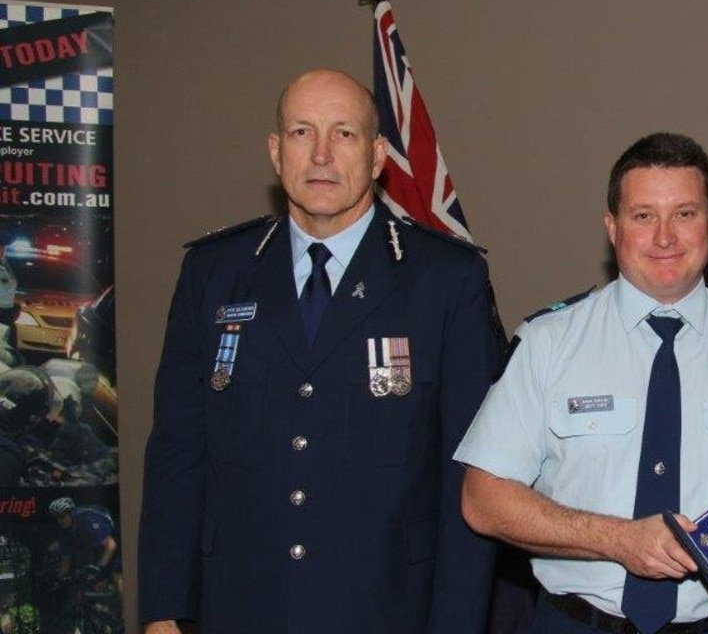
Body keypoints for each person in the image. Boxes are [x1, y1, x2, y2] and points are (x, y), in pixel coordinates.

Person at [137, 69, 503, 634]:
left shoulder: (446, 280)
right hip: (238, 606)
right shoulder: (214, 273)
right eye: (303, 133)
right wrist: (163, 609)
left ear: (379, 154)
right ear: (276, 152)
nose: (322, 155)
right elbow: (176, 455)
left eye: (345, 134)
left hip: (388, 611)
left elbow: (470, 476)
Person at [455, 132, 708, 634]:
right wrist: (616, 539)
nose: (665, 238)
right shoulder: (550, 343)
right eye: (643, 216)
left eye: (684, 214)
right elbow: (482, 498)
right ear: (612, 227)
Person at [48, 496, 120, 590]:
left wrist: (100, 566)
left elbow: (111, 545)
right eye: (56, 517)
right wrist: (58, 579)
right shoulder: (63, 533)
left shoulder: (87, 519)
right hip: (93, 543)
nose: (59, 520)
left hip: (113, 535)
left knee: (117, 575)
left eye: (62, 516)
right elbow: (66, 562)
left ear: (71, 513)